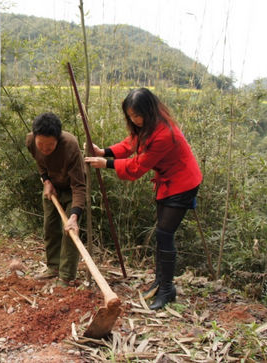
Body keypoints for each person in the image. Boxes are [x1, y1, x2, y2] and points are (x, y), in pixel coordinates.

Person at [85, 88, 202, 310]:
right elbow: (131, 144)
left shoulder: (166, 133)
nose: (134, 120)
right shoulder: (147, 127)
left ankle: (167, 289)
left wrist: (107, 164)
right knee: (162, 233)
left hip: (183, 183)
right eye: (130, 116)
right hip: (167, 182)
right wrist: (105, 152)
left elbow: (139, 165)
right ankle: (160, 282)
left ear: (148, 111)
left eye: (137, 115)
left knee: (164, 233)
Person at [26, 112, 86, 287]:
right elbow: (39, 161)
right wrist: (46, 180)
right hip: (52, 186)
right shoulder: (30, 141)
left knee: (70, 232)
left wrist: (74, 216)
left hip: (72, 188)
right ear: (35, 138)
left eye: (49, 145)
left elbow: (79, 186)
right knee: (50, 227)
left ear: (57, 140)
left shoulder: (70, 146)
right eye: (41, 144)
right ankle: (53, 267)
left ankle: (67, 276)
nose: (44, 149)